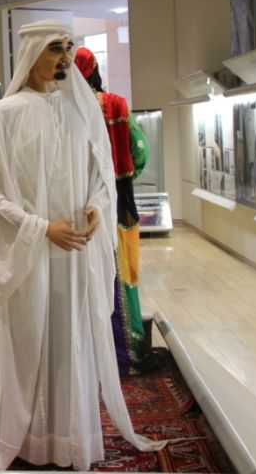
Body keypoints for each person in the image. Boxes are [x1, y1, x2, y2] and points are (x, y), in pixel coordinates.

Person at [0, 20, 166, 470]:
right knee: (24, 344)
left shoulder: (82, 111)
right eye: (55, 48)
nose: (64, 57)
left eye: (69, 47)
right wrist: (40, 228)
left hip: (73, 256)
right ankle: (20, 438)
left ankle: (62, 439)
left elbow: (101, 173)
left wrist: (97, 205)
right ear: (31, 52)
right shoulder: (0, 116)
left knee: (66, 346)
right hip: (27, 255)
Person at [74, 46, 161, 376]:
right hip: (115, 205)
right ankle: (126, 354)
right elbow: (139, 150)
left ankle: (86, 359)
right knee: (122, 274)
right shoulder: (115, 105)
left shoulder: (67, 109)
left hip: (76, 208)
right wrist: (120, 181)